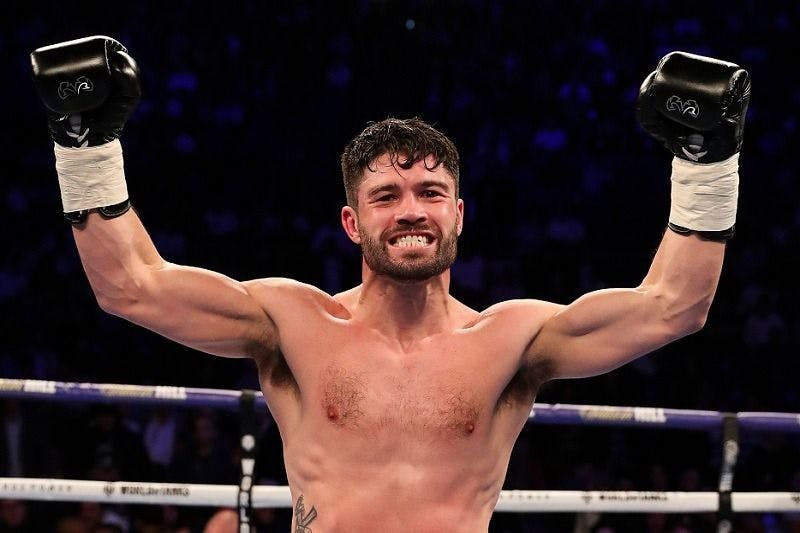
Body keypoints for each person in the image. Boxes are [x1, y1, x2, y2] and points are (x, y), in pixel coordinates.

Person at [30, 36, 750, 532]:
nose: (411, 210)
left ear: (458, 214)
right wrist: (84, 143)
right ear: (352, 222)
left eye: (431, 192)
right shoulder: (291, 323)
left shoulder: (513, 338)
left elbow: (673, 308)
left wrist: (707, 162)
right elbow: (130, 286)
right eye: (387, 196)